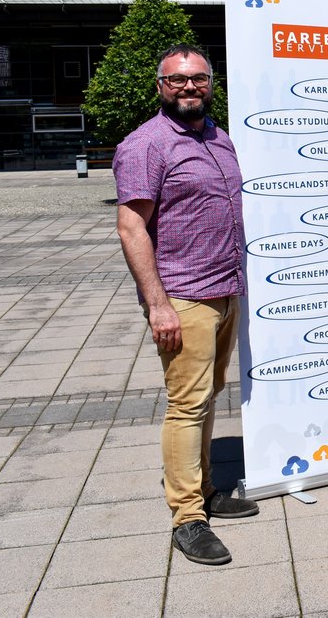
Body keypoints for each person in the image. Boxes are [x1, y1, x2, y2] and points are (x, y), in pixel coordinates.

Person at [114, 44, 258, 566]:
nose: (189, 88)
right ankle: (187, 517)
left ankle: (207, 490)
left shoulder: (219, 137)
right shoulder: (145, 145)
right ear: (160, 87)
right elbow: (131, 226)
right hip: (183, 294)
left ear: (210, 82)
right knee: (187, 403)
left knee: (209, 394)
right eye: (177, 80)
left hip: (225, 288)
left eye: (198, 78)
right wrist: (158, 305)